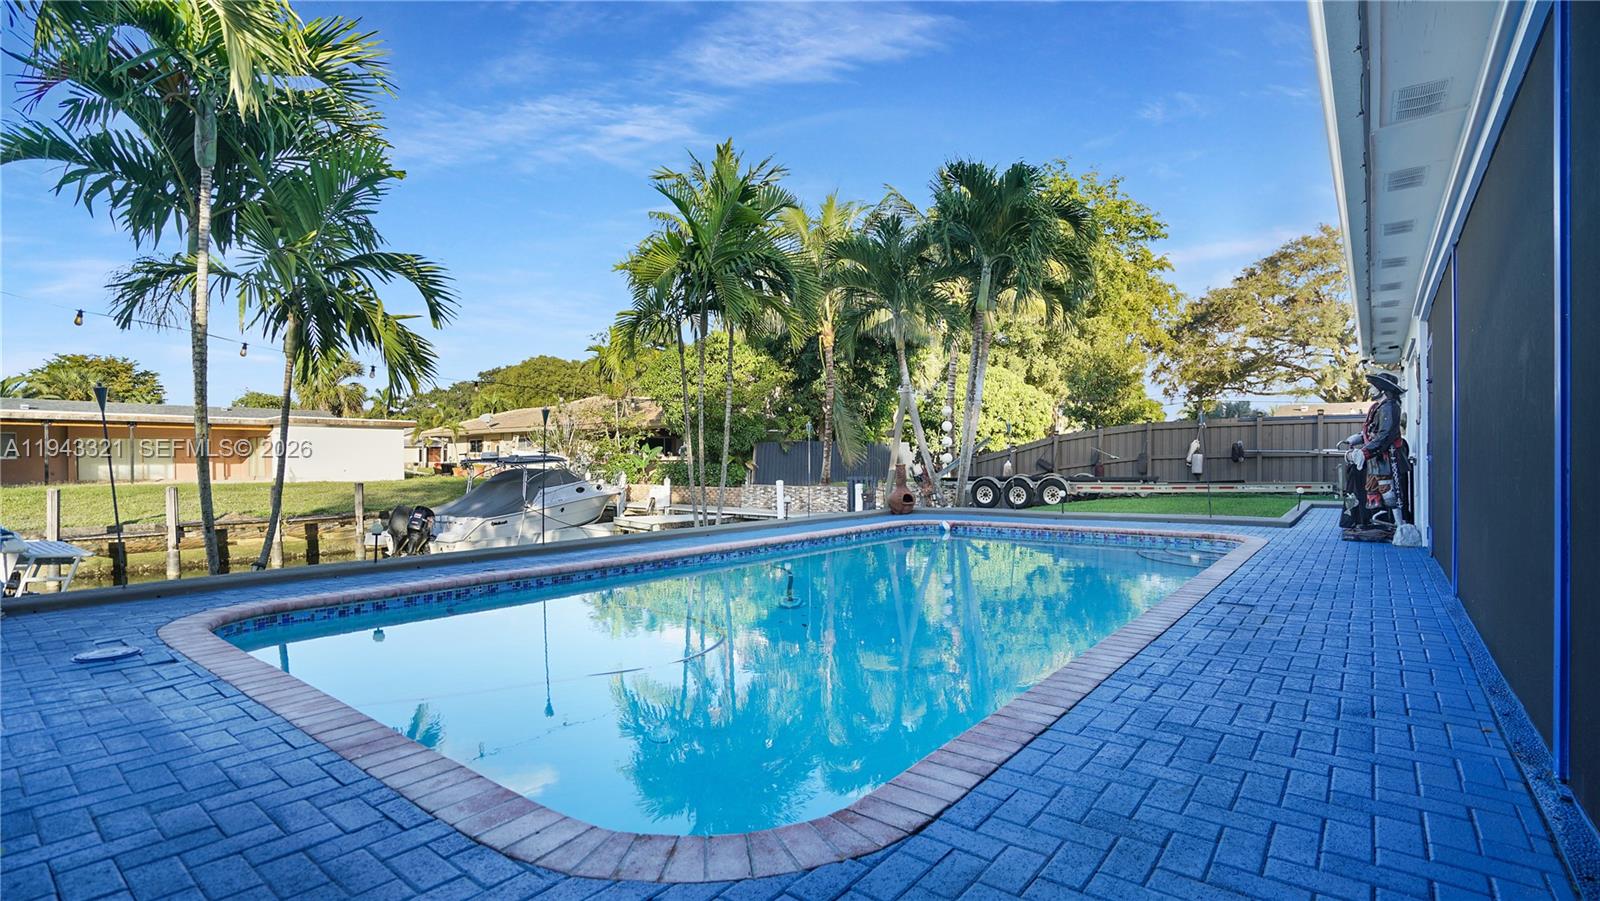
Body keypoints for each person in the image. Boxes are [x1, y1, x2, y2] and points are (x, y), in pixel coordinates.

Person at [1342, 371, 1408, 537]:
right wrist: (1358, 438)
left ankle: (1399, 525)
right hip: (1375, 458)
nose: (1370, 390)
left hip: (1387, 457)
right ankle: (1376, 521)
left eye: (1373, 387)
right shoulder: (1377, 407)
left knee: (1389, 491)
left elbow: (1386, 435)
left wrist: (1364, 451)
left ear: (1383, 389)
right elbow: (1372, 430)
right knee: (1372, 489)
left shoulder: (1390, 407)